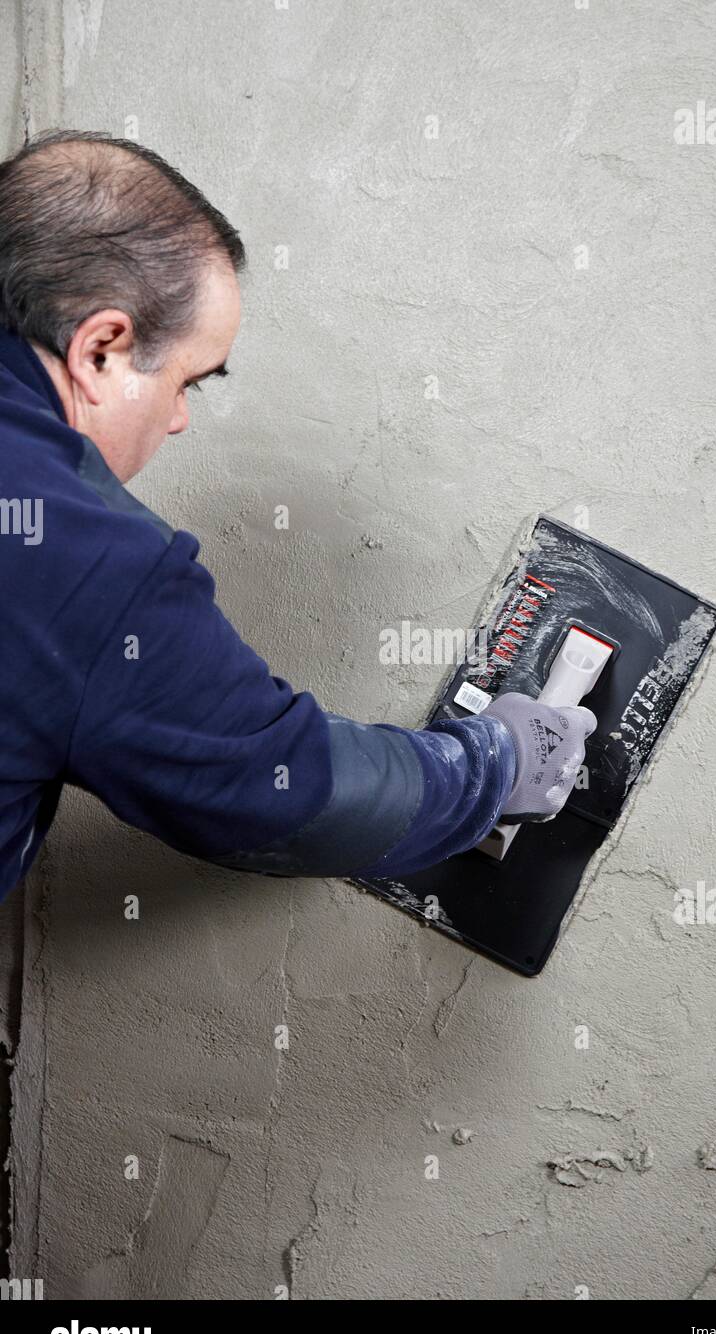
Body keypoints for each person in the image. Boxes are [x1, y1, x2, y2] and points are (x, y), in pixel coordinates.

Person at [0, 130, 596, 904]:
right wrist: (497, 762)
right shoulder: (89, 561)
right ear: (102, 350)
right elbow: (279, 788)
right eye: (191, 381)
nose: (179, 419)